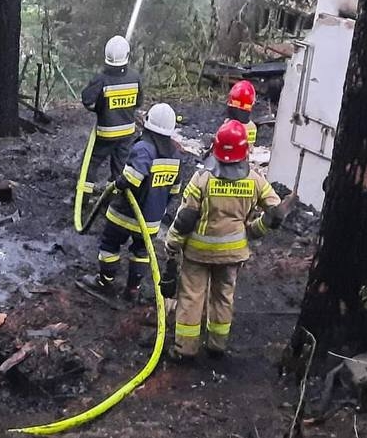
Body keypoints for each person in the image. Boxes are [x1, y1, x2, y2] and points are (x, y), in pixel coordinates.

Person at [163, 120, 295, 360]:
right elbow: (276, 214)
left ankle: (186, 349)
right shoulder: (255, 180)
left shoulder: (202, 179)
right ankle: (217, 344)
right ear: (245, 152)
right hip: (232, 254)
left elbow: (185, 219)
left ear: (216, 148)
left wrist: (172, 244)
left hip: (198, 253)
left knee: (192, 297)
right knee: (223, 296)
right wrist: (256, 229)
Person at [80, 103, 181, 302]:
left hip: (125, 214)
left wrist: (117, 183)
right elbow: (175, 190)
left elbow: (132, 179)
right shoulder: (175, 155)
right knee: (141, 252)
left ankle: (105, 281)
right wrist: (158, 205)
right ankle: (132, 289)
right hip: (150, 220)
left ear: (148, 124)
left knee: (110, 244)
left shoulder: (145, 148)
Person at [80, 35, 143, 194]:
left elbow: (88, 100)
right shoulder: (135, 77)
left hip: (106, 133)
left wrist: (100, 108)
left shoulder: (101, 79)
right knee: (120, 166)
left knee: (90, 164)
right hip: (128, 133)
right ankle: (112, 197)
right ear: (127, 56)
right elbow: (138, 102)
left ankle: (83, 197)